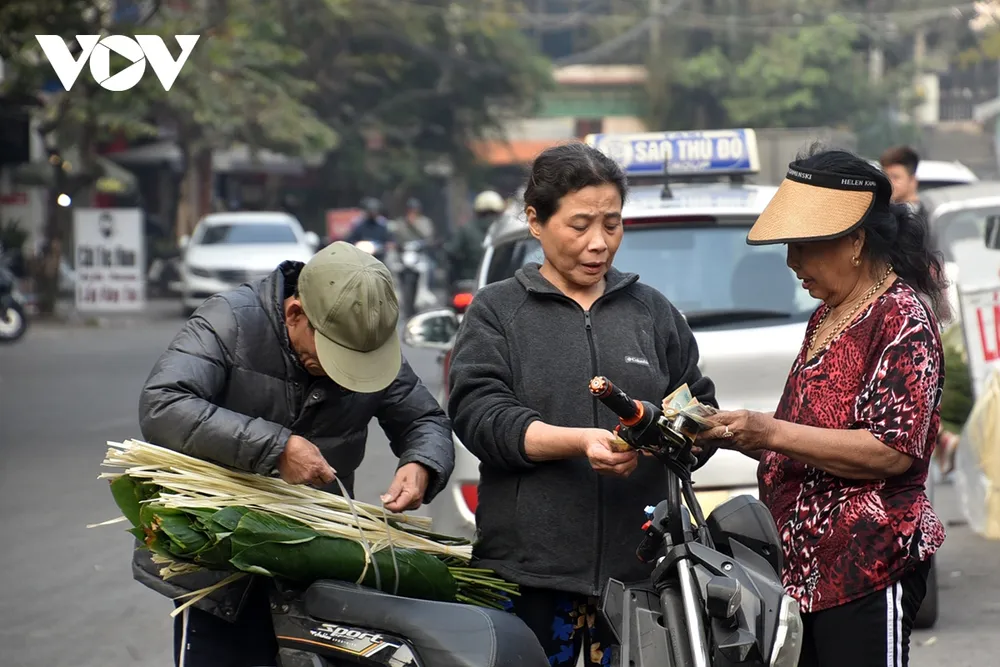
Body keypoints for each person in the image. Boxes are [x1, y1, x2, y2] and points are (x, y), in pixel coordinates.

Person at [446, 143, 717, 667]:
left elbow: (697, 408)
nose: (599, 244)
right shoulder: (498, 312)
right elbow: (480, 415)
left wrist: (663, 436)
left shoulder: (651, 312)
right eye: (580, 226)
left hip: (641, 578)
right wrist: (579, 441)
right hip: (528, 576)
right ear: (535, 221)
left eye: (612, 224)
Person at [136, 242, 455, 667]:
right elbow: (164, 405)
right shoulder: (229, 322)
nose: (347, 371)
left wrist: (421, 465)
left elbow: (425, 421)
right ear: (295, 314)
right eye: (334, 354)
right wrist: (275, 448)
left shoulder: (367, 339)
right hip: (222, 565)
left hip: (319, 564)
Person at [701, 148, 947, 667]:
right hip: (804, 575)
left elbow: (891, 451)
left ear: (855, 240)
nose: (793, 261)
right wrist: (726, 431)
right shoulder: (827, 317)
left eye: (805, 246)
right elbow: (801, 437)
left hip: (868, 567)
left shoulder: (900, 319)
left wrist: (767, 432)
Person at [444, 189, 506, 285]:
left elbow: (451, 252)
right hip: (501, 284)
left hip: (469, 283)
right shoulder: (507, 230)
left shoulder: (466, 229)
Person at [880, 145, 928, 220]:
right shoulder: (882, 216)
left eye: (895, 177)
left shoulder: (930, 218)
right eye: (886, 176)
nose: (889, 182)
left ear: (912, 180)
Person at [345, 197, 394, 262]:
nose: (372, 213)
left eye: (374, 211)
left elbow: (390, 239)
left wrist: (389, 244)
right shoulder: (359, 225)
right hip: (362, 256)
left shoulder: (382, 225)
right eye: (370, 211)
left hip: (380, 256)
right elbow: (351, 238)